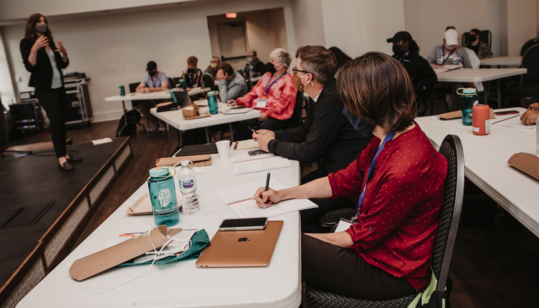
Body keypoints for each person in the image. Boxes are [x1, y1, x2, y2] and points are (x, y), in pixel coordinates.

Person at [253, 52, 448, 300]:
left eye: (348, 101)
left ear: (367, 103)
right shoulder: (390, 137)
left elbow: (358, 238)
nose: (344, 108)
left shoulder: (404, 168)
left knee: (281, 246)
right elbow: (341, 181)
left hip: (390, 273)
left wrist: (289, 238)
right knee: (283, 240)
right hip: (376, 250)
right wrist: (282, 194)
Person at [253, 45, 372, 182]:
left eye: (296, 69)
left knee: (290, 190)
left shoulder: (332, 99)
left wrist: (271, 144)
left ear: (308, 77)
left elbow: (309, 151)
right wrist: (274, 134)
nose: (294, 75)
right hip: (336, 169)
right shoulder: (326, 92)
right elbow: (306, 130)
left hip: (347, 178)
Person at [20, 13, 81, 171]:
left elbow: (62, 64)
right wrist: (34, 48)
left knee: (62, 121)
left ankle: (65, 154)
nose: (43, 23)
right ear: (32, 25)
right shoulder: (26, 43)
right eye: (39, 21)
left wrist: (64, 53)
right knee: (56, 121)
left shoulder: (50, 41)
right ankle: (61, 158)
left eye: (44, 21)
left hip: (59, 87)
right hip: (44, 90)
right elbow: (29, 66)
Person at [231, 48, 297, 140]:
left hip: (278, 115)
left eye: (272, 61)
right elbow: (253, 93)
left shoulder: (289, 80)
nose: (269, 63)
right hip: (260, 111)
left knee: (263, 129)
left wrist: (268, 114)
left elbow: (283, 104)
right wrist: (239, 101)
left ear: (282, 65)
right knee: (244, 125)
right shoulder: (266, 76)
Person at [388, 31, 438, 96]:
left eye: (397, 43)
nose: (395, 45)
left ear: (406, 43)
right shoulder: (393, 59)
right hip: (392, 92)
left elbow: (432, 77)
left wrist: (418, 93)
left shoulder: (416, 60)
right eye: (394, 43)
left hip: (406, 94)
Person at [135, 61, 169, 132]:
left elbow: (164, 87)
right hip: (152, 99)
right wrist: (141, 90)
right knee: (142, 107)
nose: (150, 72)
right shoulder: (147, 77)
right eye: (148, 70)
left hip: (164, 99)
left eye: (151, 70)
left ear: (155, 69)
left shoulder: (162, 75)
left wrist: (150, 89)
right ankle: (155, 123)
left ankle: (164, 125)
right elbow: (137, 88)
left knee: (157, 104)